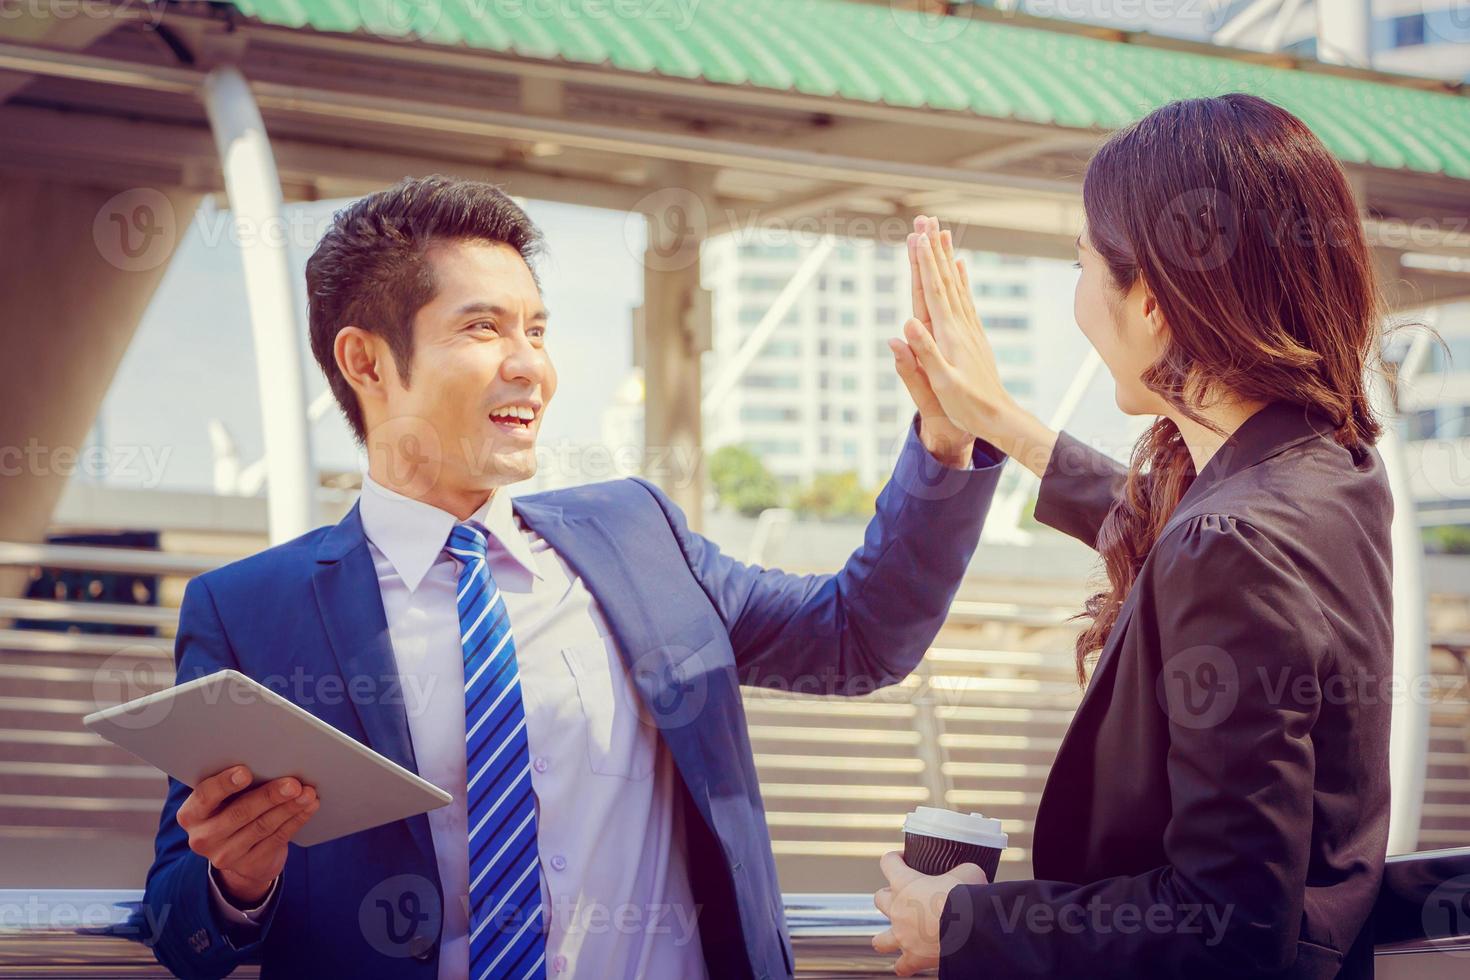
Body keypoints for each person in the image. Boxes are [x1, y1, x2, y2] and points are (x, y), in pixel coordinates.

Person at [140, 175, 1007, 979]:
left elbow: (857, 639)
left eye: (538, 330)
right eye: (484, 328)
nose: (532, 367)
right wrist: (237, 882)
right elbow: (181, 925)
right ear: (366, 362)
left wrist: (943, 444)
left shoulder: (638, 536)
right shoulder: (252, 611)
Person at [873, 94, 1393, 979]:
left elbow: (1225, 927)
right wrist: (1002, 420)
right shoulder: (1330, 468)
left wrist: (963, 924)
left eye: (1081, 263)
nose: (1076, 299)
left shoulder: (1235, 545)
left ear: (1149, 301)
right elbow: (1182, 526)